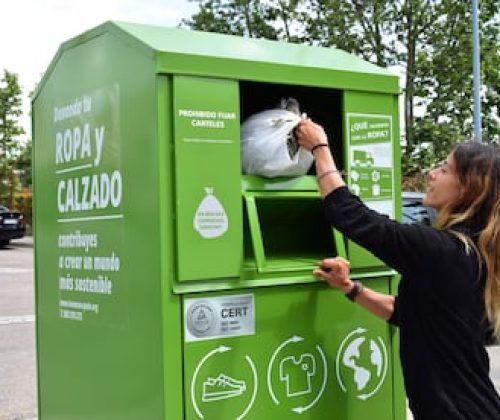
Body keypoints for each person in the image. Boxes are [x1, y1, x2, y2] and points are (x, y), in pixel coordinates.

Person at [295, 119, 500, 419]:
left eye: (444, 169)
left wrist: (320, 148)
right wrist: (350, 288)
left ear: (468, 187)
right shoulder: (472, 253)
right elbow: (407, 314)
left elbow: (351, 215)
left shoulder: (442, 250)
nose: (431, 174)